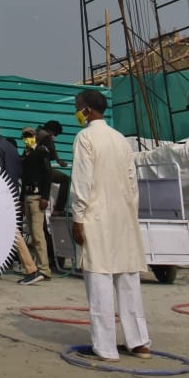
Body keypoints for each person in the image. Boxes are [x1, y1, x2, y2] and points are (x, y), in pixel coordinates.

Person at [70, 89, 151, 362]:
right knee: (129, 282)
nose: (77, 112)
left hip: (96, 218)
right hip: (123, 219)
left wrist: (77, 217)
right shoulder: (120, 140)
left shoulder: (85, 138)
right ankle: (138, 341)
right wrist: (130, 215)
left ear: (88, 110)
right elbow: (132, 184)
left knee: (100, 282)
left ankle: (105, 347)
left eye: (78, 107)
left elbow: (82, 182)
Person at [0, 119, 42, 285]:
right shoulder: (11, 146)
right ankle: (1, 265)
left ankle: (30, 268)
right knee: (7, 229)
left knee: (8, 230)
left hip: (1, 192)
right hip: (14, 190)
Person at [20, 125, 52, 281]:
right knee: (32, 234)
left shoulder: (41, 151)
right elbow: (24, 178)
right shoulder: (26, 154)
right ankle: (36, 266)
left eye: (29, 134)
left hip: (37, 196)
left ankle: (44, 269)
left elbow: (48, 174)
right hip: (27, 196)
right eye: (25, 135)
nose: (27, 137)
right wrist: (21, 199)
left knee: (38, 234)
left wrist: (45, 196)